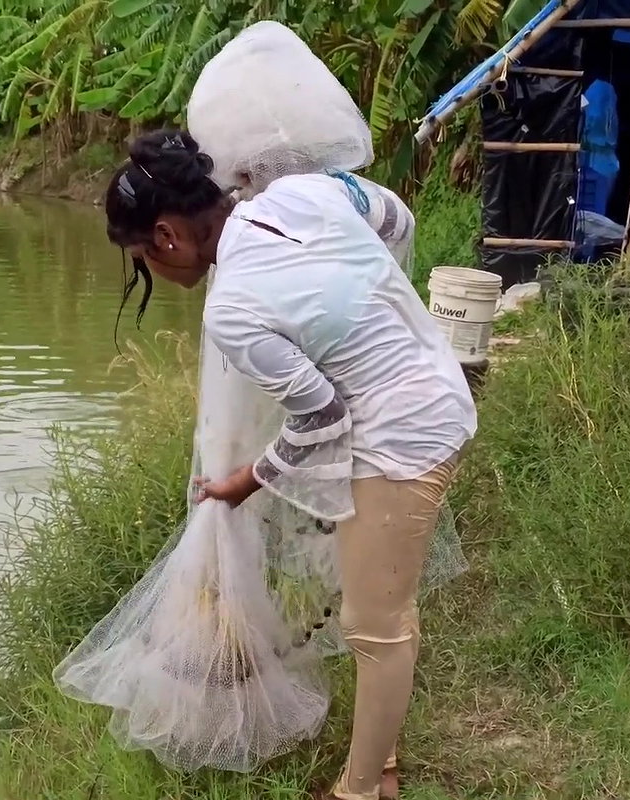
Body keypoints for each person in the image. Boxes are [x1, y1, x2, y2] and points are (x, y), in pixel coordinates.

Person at [103, 130, 477, 800]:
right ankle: (381, 763)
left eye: (141, 259)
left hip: (404, 434)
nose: (153, 271)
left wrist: (245, 482)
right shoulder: (304, 194)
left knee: (375, 626)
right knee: (384, 602)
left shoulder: (233, 308)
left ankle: (363, 791)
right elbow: (397, 217)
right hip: (432, 387)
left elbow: (321, 418)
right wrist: (376, 298)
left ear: (166, 238)